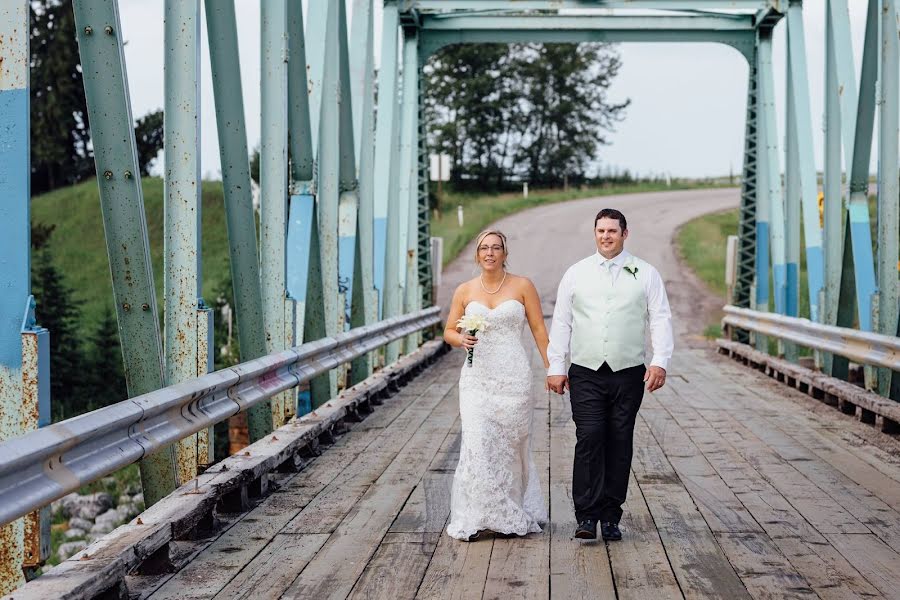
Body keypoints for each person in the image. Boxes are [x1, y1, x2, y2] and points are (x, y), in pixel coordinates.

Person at [547, 208, 673, 542]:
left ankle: (611, 516)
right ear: (595, 233)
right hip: (586, 370)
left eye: (612, 231)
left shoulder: (646, 273)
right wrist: (556, 366)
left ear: (624, 234)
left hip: (628, 372)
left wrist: (660, 361)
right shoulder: (576, 273)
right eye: (601, 231)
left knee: (620, 442)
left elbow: (660, 318)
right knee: (589, 436)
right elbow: (561, 322)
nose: (606, 236)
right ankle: (586, 515)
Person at [443, 229, 550, 541]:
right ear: (477, 255)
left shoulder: (522, 286)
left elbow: (539, 329)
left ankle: (511, 509)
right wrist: (460, 338)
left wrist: (553, 368)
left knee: (511, 446)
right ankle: (479, 514)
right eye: (484, 249)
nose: (490, 253)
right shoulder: (464, 290)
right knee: (477, 442)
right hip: (477, 381)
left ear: (505, 253)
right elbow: (449, 330)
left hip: (514, 378)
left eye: (496, 248)